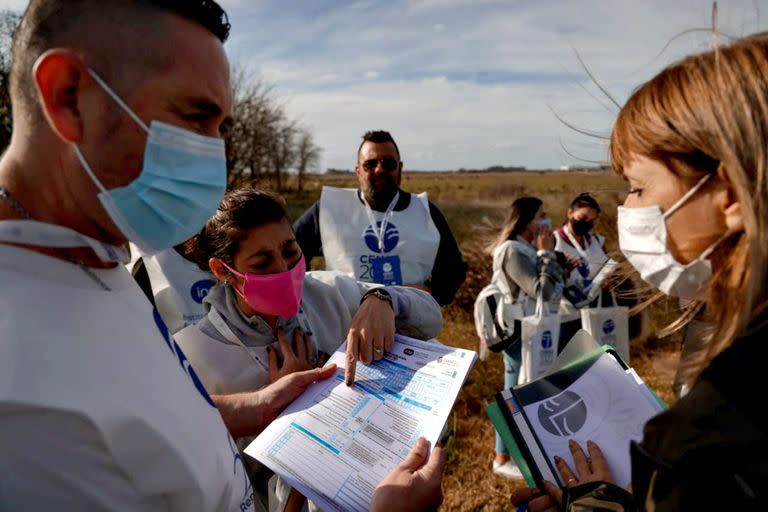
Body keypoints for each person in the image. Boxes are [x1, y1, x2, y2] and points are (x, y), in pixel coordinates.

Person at [0, 2, 443, 510]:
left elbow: (150, 426)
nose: (215, 156)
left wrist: (251, 409)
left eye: (221, 128)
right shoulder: (18, 395)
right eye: (193, 118)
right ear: (68, 96)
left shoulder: (92, 265)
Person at [511, 32, 768, 511]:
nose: (628, 208)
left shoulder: (710, 440)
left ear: (730, 195)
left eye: (637, 187)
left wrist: (600, 505)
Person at [174, 187, 444, 510]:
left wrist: (383, 299)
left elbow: (432, 317)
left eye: (290, 251)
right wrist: (285, 412)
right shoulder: (194, 355)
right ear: (222, 271)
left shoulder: (331, 295)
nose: (284, 270)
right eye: (262, 262)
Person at [293, 130, 467, 306]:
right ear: (358, 170)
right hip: (346, 325)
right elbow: (290, 253)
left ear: (400, 168)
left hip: (410, 324)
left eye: (388, 163)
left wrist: (432, 292)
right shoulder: (330, 208)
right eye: (370, 164)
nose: (379, 169)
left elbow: (454, 269)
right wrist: (312, 300)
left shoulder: (425, 212)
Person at [486, 196, 566, 480]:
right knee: (512, 393)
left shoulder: (527, 248)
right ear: (526, 219)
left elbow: (553, 290)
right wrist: (546, 255)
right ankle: (502, 457)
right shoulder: (513, 251)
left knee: (520, 391)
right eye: (541, 215)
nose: (546, 220)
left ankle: (518, 451)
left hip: (533, 328)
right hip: (517, 331)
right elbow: (541, 292)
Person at [553, 193, 611, 346]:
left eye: (592, 220)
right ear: (570, 213)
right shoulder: (554, 242)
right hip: (564, 318)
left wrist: (608, 279)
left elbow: (606, 266)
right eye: (583, 218)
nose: (587, 223)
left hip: (594, 314)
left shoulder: (597, 241)